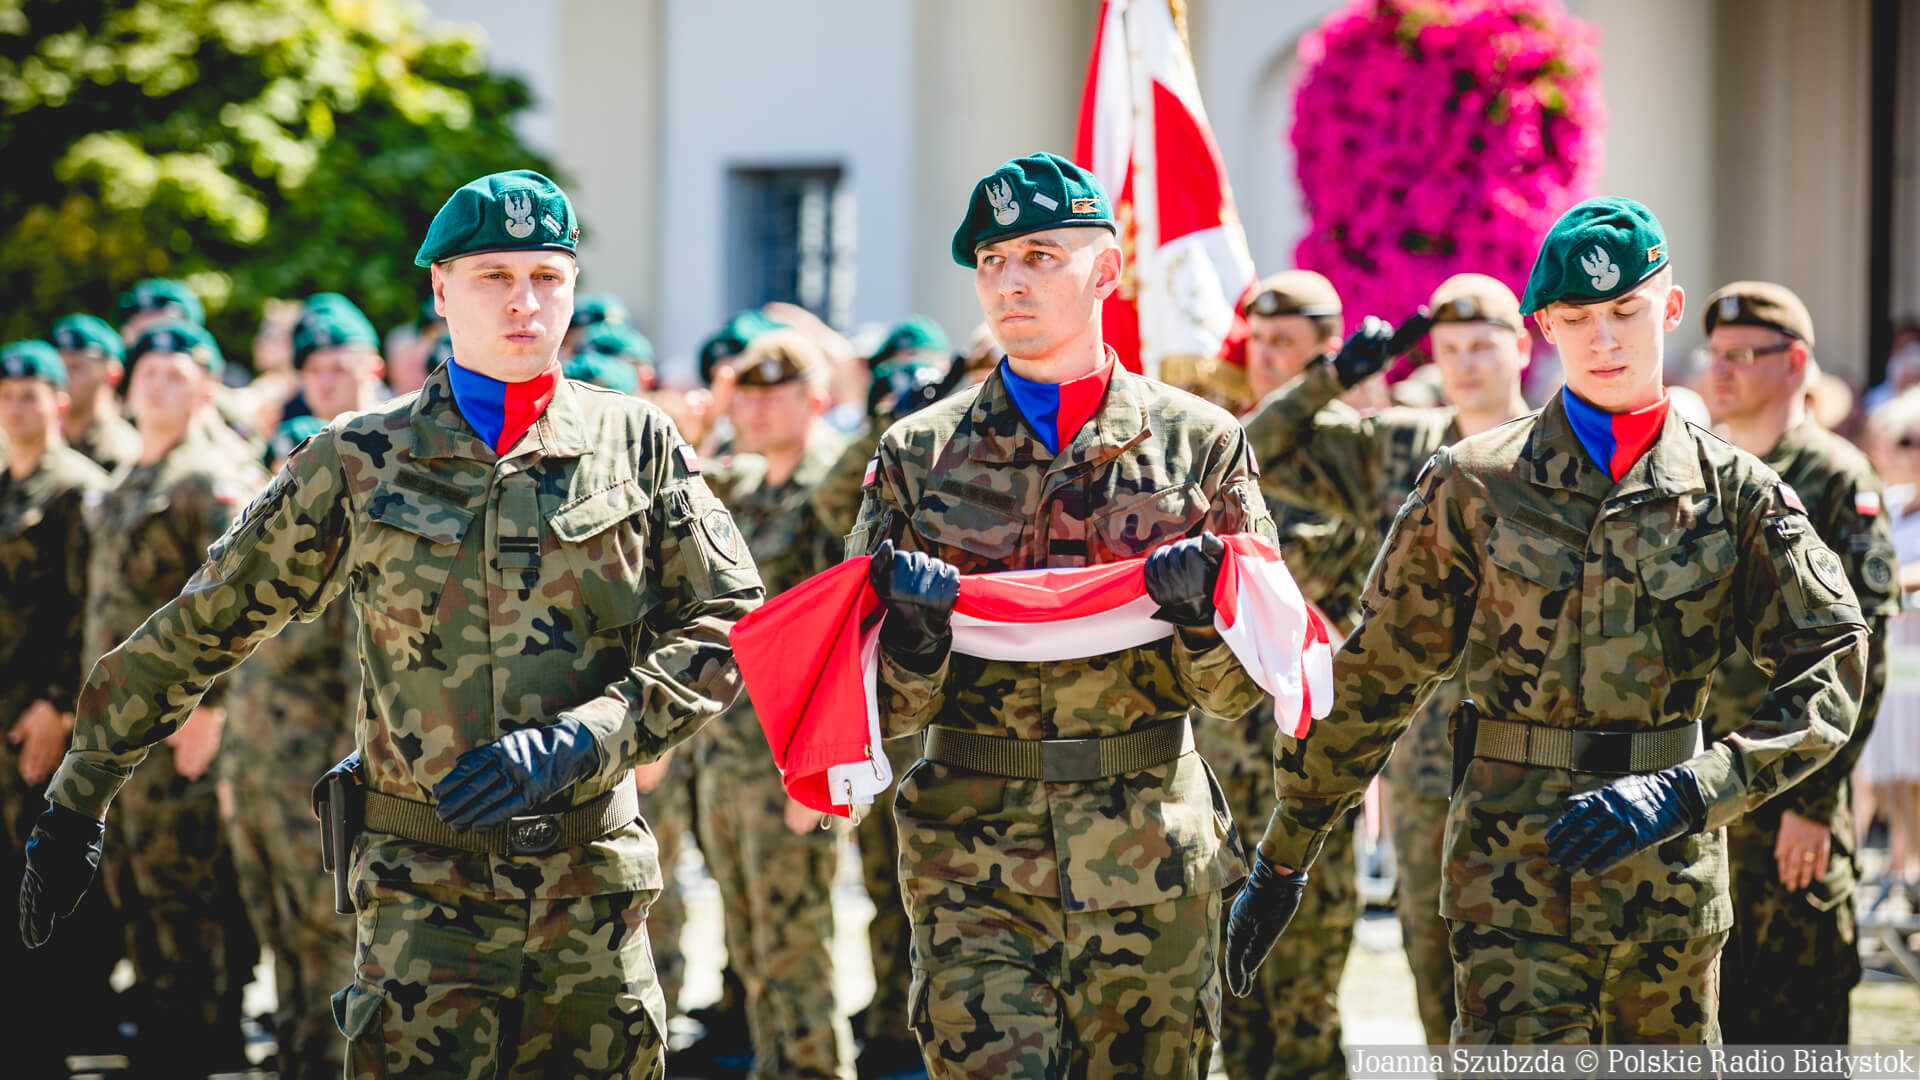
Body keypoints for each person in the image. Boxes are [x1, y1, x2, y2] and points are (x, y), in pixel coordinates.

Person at [19, 169, 763, 1079]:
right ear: (442, 290)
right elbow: (205, 622)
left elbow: (733, 619)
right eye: (495, 276)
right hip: (426, 909)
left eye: (547, 276)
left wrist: (590, 737)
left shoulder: (636, 442)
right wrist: (81, 790)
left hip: (592, 902)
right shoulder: (362, 457)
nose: (526, 302)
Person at [1224, 196, 1870, 1043]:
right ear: (1543, 328)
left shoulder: (1736, 494)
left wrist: (1698, 788)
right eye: (1578, 317)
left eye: (1626, 311)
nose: (1604, 340)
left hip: (1668, 893)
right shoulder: (1472, 483)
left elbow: (1833, 658)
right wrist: (1283, 856)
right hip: (1511, 893)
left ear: (1669, 309)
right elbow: (1374, 677)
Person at [846, 152, 1273, 1077]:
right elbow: (868, 707)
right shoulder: (920, 454)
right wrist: (913, 642)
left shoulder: (1200, 442)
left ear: (1107, 271)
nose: (1011, 281)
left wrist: (1203, 619)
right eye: (993, 261)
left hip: (1152, 848)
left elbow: (1246, 689)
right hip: (971, 855)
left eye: (1041, 254)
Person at [1240, 272, 1535, 1045]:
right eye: (1451, 348)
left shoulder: (1553, 452)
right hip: (1425, 751)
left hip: (1533, 750)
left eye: (1484, 345)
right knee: (1432, 954)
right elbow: (1255, 449)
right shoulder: (1400, 443)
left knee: (1534, 966)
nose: (1467, 363)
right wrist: (1331, 377)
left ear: (1522, 348)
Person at [1698, 281, 1898, 1043]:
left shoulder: (1836, 476)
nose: (1721, 372)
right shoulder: (1699, 471)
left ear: (1796, 364)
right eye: (1714, 355)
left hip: (1789, 808)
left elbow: (1861, 656)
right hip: (1703, 799)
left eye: (1743, 355)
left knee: (1794, 1031)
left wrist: (1813, 806)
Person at [1198, 271, 1381, 1080]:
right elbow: (1243, 450)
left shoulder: (1354, 442)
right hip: (1224, 741)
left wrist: (1327, 392)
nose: (1265, 355)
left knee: (1305, 967)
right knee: (1224, 970)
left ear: (1327, 348)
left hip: (1308, 740)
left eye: (1286, 342)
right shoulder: (1230, 436)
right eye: (1258, 340)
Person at [76, 319, 267, 1074]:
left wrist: (212, 711)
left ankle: (193, 1049)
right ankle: (163, 1043)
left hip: (175, 728)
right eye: (147, 370)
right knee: (135, 893)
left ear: (206, 389)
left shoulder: (208, 478)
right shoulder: (127, 478)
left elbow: (248, 602)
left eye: (176, 372)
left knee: (183, 900)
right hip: (117, 734)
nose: (158, 382)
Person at [218, 297, 387, 1078]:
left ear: (373, 369)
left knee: (329, 936)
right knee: (282, 927)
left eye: (341, 366)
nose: (327, 380)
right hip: (261, 753)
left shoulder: (392, 474)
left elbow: (372, 660)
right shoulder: (292, 457)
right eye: (314, 366)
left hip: (327, 760)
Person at [695, 329, 854, 1080]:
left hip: (791, 758)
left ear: (816, 399)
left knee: (798, 952)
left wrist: (817, 772)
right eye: (745, 394)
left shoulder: (832, 495)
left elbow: (842, 638)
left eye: (774, 392)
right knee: (753, 950)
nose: (755, 410)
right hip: (730, 755)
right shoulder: (748, 488)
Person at [0, 340, 122, 1077]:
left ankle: (44, 1047)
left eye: (31, 390)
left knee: (38, 889)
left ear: (60, 401)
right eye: (6, 390)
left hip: (40, 721)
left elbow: (90, 613)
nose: (17, 402)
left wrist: (57, 705)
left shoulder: (79, 488)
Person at [49, 313, 142, 473]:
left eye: (75, 367)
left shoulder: (122, 451)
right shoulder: (47, 441)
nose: (63, 378)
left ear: (113, 374)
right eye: (57, 368)